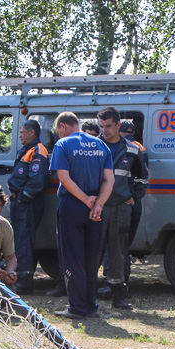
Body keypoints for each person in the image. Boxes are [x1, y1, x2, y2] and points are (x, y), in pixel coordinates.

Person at [49, 111, 114, 319]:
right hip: (96, 208)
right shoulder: (101, 144)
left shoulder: (63, 145)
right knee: (91, 258)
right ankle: (91, 306)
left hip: (73, 205)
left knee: (72, 257)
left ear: (62, 127)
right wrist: (98, 205)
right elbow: (109, 180)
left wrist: (84, 199)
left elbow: (64, 178)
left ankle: (76, 307)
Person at [97, 107, 148, 310]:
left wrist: (135, 197)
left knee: (118, 252)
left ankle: (118, 295)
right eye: (101, 126)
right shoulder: (94, 147)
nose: (105, 130)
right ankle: (88, 295)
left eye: (108, 126)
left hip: (120, 208)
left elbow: (142, 177)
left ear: (118, 125)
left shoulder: (133, 149)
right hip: (98, 208)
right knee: (94, 251)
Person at [7, 119, 49, 295]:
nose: (20, 135)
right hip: (20, 201)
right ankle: (22, 279)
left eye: (22, 132)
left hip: (28, 202)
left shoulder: (39, 151)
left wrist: (23, 198)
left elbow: (36, 180)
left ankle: (24, 284)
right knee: (20, 241)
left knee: (24, 242)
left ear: (32, 132)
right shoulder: (26, 150)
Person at [118, 120, 149, 280]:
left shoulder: (126, 147)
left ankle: (120, 281)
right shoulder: (140, 147)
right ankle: (123, 281)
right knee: (123, 244)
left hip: (124, 200)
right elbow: (143, 176)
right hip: (133, 199)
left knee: (118, 244)